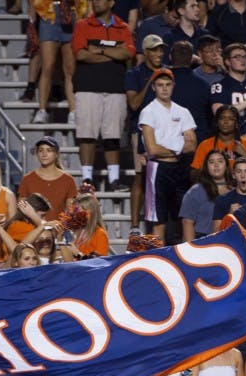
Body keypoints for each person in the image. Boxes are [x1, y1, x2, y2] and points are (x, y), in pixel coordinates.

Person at [71, 0, 134, 190]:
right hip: (87, 87)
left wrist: (99, 50)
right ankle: (87, 180)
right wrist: (114, 52)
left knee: (112, 136)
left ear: (111, 3)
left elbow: (128, 53)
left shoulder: (123, 27)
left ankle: (114, 179)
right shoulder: (83, 25)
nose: (96, 2)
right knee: (87, 135)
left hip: (115, 87)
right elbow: (80, 54)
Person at [139, 68, 197, 242]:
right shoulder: (148, 112)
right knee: (159, 218)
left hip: (179, 168)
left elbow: (192, 145)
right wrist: (179, 144)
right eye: (160, 85)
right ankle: (158, 260)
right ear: (154, 87)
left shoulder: (183, 111)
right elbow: (153, 150)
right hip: (158, 168)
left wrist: (166, 145)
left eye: (168, 84)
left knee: (182, 216)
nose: (164, 88)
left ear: (173, 86)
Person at [19, 136, 78, 222]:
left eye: (49, 150)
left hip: (59, 231)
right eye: (41, 150)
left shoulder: (67, 179)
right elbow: (21, 210)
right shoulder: (27, 179)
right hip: (33, 231)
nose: (44, 154)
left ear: (56, 154)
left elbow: (71, 211)